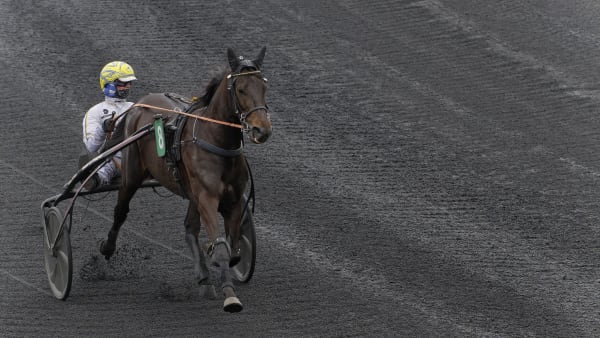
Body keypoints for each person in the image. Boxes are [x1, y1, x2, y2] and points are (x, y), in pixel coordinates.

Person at [82, 61, 137, 190]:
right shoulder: (95, 112)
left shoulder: (135, 107)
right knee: (106, 167)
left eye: (129, 83)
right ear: (109, 84)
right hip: (113, 159)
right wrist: (103, 128)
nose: (127, 87)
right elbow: (91, 147)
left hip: (137, 156)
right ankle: (95, 179)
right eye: (122, 84)